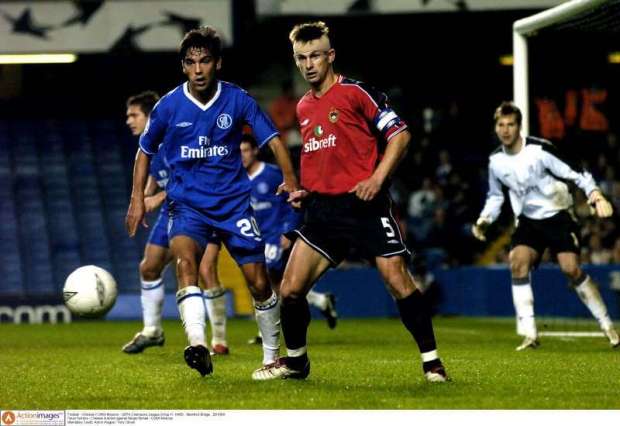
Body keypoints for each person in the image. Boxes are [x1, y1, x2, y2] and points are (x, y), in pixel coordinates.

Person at [252, 21, 448, 382]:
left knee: (397, 279)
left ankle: (432, 362)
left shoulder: (357, 92)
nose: (309, 63)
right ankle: (296, 362)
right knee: (291, 290)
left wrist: (376, 179)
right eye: (301, 58)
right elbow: (320, 156)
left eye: (315, 56)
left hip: (364, 205)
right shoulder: (303, 107)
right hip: (323, 211)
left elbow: (400, 135)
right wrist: (303, 190)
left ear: (331, 56)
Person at [125, 27, 299, 378]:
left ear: (217, 63)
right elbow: (144, 153)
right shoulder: (168, 106)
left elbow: (275, 140)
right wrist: (136, 201)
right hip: (187, 205)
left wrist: (290, 180)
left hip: (233, 206)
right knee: (185, 264)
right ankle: (198, 344)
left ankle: (271, 357)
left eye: (205, 61)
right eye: (191, 62)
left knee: (260, 283)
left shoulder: (237, 100)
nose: (199, 68)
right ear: (184, 67)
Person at [472, 101, 619, 350]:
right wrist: (485, 219)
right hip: (529, 221)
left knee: (570, 269)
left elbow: (575, 171)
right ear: (496, 128)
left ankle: (608, 326)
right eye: (501, 125)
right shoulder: (496, 161)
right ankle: (530, 335)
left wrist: (595, 195)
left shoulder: (540, 150)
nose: (505, 130)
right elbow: (496, 196)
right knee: (517, 262)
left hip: (558, 215)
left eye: (510, 124)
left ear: (519, 127)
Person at [122, 91, 229, 355]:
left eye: (134, 115)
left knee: (204, 270)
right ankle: (153, 331)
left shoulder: (174, 138)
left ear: (150, 116)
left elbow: (193, 178)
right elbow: (156, 178)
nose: (128, 120)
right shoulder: (151, 145)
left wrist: (157, 198)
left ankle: (217, 339)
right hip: (172, 211)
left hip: (199, 209)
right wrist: (144, 198)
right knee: (148, 267)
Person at [240, 133, 338, 337]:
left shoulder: (273, 174)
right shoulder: (239, 178)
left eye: (246, 151)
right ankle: (320, 301)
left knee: (265, 279)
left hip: (276, 235)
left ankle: (268, 330)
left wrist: (288, 232)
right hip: (256, 236)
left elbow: (293, 200)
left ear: (255, 151)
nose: (242, 156)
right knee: (277, 282)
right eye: (238, 152)